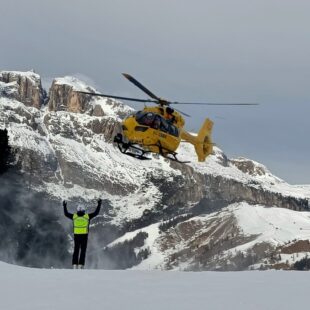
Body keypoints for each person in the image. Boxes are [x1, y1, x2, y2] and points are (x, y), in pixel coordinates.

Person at [63, 199, 102, 269]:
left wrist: (64, 206)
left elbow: (66, 214)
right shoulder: (87, 216)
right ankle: (81, 265)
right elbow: (96, 213)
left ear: (77, 210)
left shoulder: (74, 216)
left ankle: (74, 265)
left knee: (76, 250)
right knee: (83, 251)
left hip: (76, 235)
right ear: (84, 210)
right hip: (84, 235)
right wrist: (99, 204)